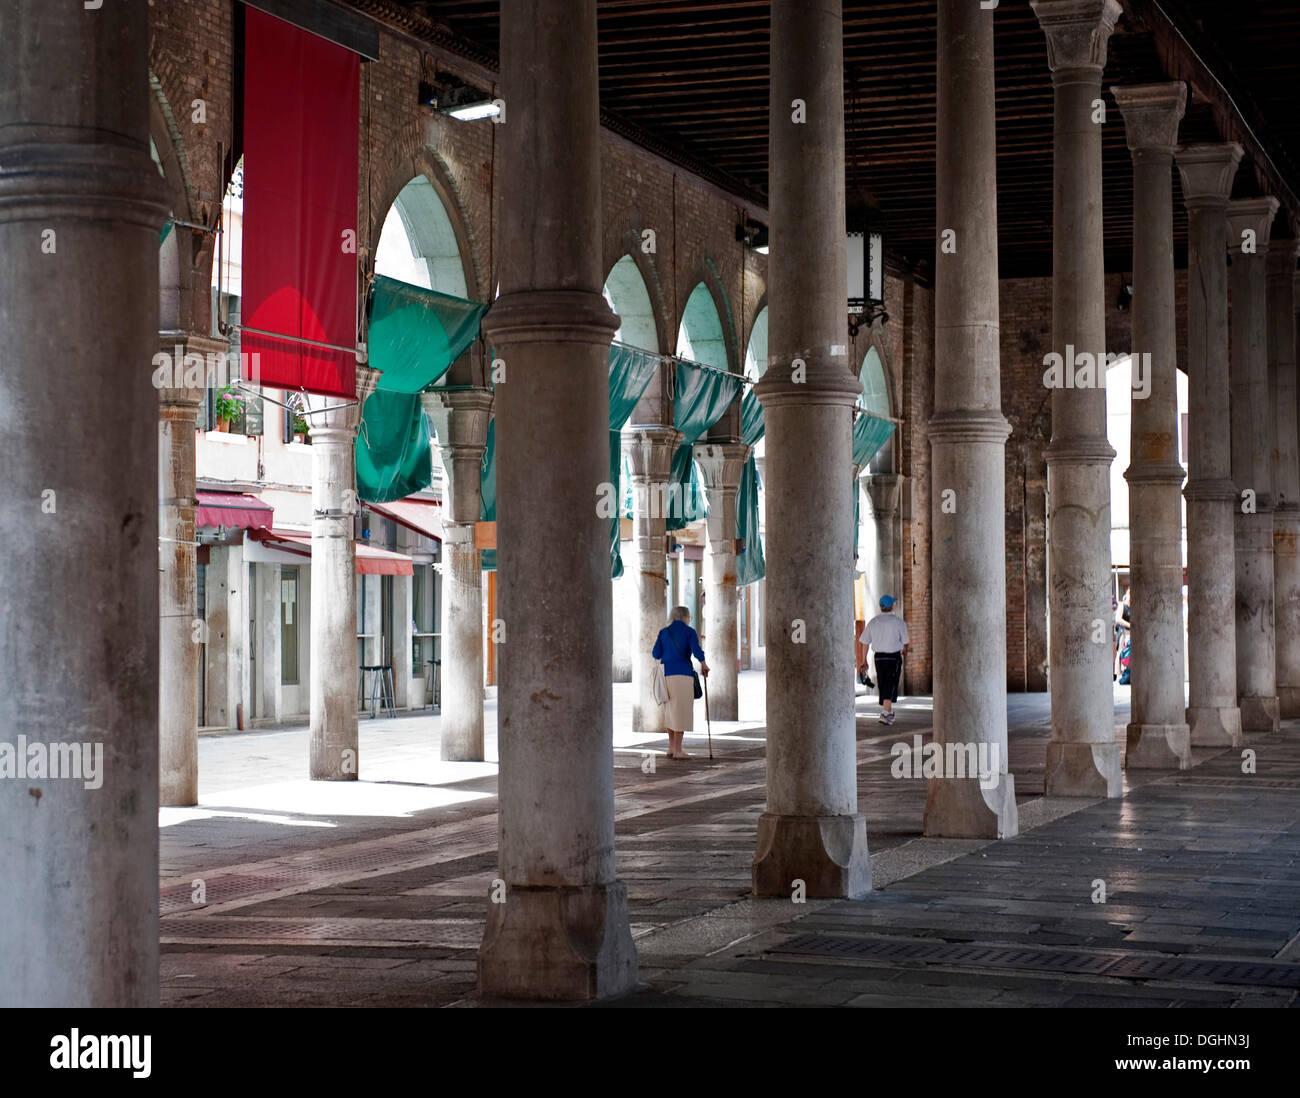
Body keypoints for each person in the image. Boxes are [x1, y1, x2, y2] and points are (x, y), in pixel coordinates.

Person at [652, 606, 710, 759]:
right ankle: (678, 750)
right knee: (681, 712)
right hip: (683, 675)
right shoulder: (689, 632)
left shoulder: (664, 632)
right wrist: (703, 663)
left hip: (667, 675)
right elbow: (696, 650)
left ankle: (671, 748)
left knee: (670, 711)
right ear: (685, 617)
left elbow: (656, 653)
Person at [858, 595, 908, 725]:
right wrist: (904, 650)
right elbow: (905, 641)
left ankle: (889, 712)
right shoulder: (898, 622)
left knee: (883, 683)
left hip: (879, 658)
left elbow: (864, 642)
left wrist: (863, 660)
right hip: (893, 657)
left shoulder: (874, 622)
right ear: (891, 606)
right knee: (891, 684)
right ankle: (885, 714)